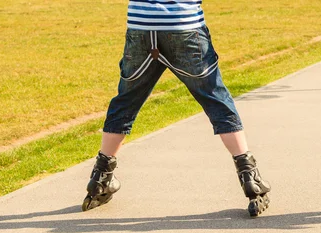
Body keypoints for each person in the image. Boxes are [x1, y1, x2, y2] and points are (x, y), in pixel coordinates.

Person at [82, 0, 271, 217]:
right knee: (216, 100)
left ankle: (101, 177)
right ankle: (249, 177)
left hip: (142, 27)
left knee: (125, 101)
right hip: (184, 24)